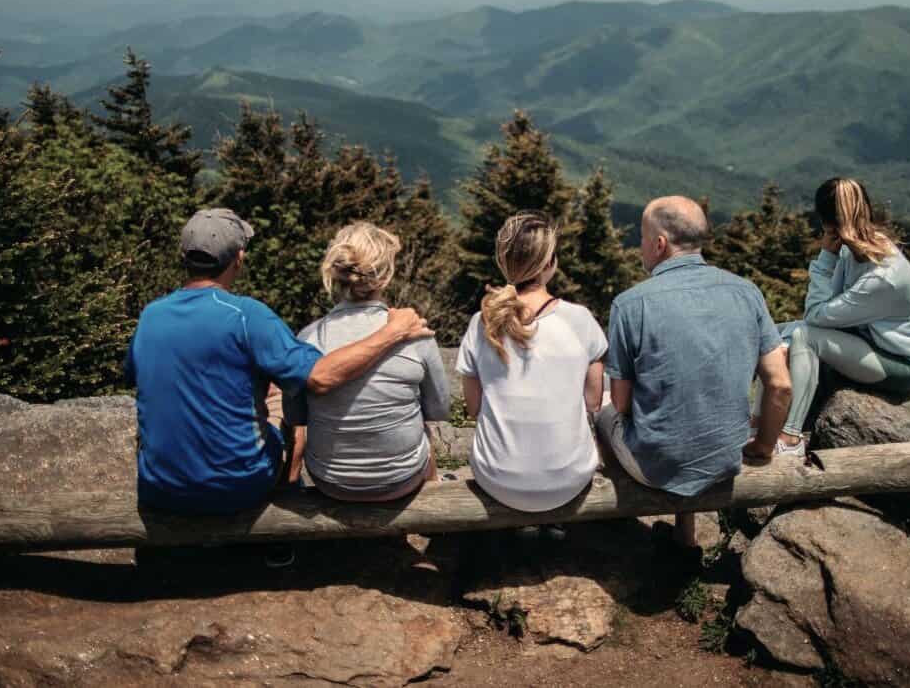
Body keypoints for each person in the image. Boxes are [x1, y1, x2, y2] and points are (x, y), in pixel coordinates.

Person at [125, 208, 433, 517]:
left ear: (185, 256)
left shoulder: (151, 315)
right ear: (239, 257)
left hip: (160, 488)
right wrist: (393, 331)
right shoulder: (247, 314)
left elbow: (141, 375)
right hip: (237, 487)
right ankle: (288, 502)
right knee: (288, 403)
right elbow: (320, 377)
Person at [597, 196, 793, 550]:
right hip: (727, 458)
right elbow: (779, 385)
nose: (639, 246)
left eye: (641, 238)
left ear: (659, 244)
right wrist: (763, 446)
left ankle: (619, 522)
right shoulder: (747, 293)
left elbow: (623, 406)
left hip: (656, 467)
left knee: (603, 413)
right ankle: (684, 534)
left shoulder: (629, 305)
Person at [456, 211, 607, 524]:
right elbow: (593, 402)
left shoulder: (482, 322)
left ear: (503, 262)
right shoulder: (579, 319)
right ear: (550, 262)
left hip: (497, 479)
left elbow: (474, 408)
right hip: (568, 480)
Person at [769, 178, 910, 459]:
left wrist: (824, 259)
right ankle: (758, 424)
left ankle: (791, 437)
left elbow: (816, 316)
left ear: (826, 223)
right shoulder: (854, 250)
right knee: (772, 333)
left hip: (899, 364)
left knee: (804, 337)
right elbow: (826, 312)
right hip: (866, 342)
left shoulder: (882, 276)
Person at [290, 222, 449, 502]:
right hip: (401, 480)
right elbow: (438, 409)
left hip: (330, 481)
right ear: (386, 276)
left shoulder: (309, 337)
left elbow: (297, 416)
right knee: (423, 429)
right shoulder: (415, 333)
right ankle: (434, 522)